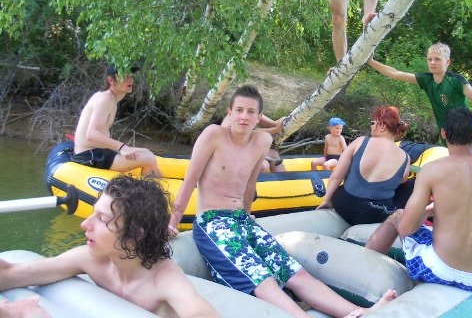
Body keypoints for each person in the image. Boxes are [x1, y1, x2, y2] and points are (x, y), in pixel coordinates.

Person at [169, 85, 396, 318]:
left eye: (250, 112)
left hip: (241, 220)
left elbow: (249, 185)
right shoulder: (213, 135)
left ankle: (361, 312)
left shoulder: (262, 141)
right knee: (263, 279)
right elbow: (189, 181)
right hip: (213, 222)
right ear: (230, 112)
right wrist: (173, 222)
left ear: (259, 117)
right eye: (239, 110)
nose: (244, 116)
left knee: (295, 273)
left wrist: (246, 214)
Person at [0, 175, 221, 318]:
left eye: (102, 219)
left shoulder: (165, 280)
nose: (85, 224)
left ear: (135, 234)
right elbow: (11, 274)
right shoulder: (91, 259)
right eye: (93, 214)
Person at [365, 107, 472, 292]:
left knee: (398, 217)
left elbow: (406, 228)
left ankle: (363, 267)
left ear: (444, 134)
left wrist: (430, 210)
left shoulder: (432, 170)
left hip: (441, 271)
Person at [368, 42, 472, 156]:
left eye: (437, 59)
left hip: (467, 136)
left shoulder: (456, 81)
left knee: (471, 167)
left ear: (447, 62)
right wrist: (370, 61)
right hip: (446, 137)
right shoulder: (426, 80)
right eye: (429, 59)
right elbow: (395, 73)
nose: (432, 62)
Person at [317, 106, 411, 225]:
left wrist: (326, 200)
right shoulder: (406, 158)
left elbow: (336, 175)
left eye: (373, 123)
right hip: (376, 214)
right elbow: (401, 180)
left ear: (382, 126)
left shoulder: (360, 141)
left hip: (345, 205)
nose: (371, 127)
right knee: (409, 184)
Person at [72, 64, 161, 177]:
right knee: (148, 158)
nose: (130, 80)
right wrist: (123, 148)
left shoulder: (110, 98)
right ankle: (153, 186)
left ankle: (153, 182)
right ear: (111, 80)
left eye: (131, 76)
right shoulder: (104, 99)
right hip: (89, 155)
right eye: (124, 77)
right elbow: (92, 134)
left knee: (146, 152)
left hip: (97, 152)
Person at [221, 113, 285, 173]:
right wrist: (275, 129)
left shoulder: (249, 112)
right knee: (263, 165)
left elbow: (257, 116)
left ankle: (284, 179)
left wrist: (275, 123)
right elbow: (250, 133)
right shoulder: (233, 117)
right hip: (229, 159)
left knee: (273, 154)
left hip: (242, 153)